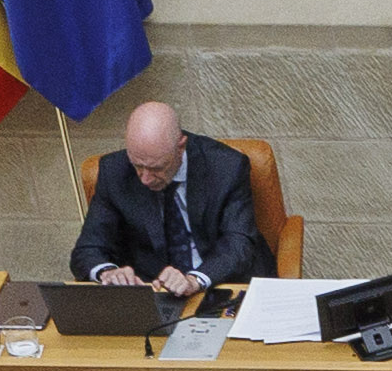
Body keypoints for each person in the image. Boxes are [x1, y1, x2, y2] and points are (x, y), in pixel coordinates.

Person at [70, 103, 274, 299]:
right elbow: (88, 249)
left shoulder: (226, 166)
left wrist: (195, 280)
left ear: (181, 147)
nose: (145, 178)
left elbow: (238, 242)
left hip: (220, 284)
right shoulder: (113, 171)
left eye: (156, 168)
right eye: (138, 166)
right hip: (155, 291)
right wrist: (108, 272)